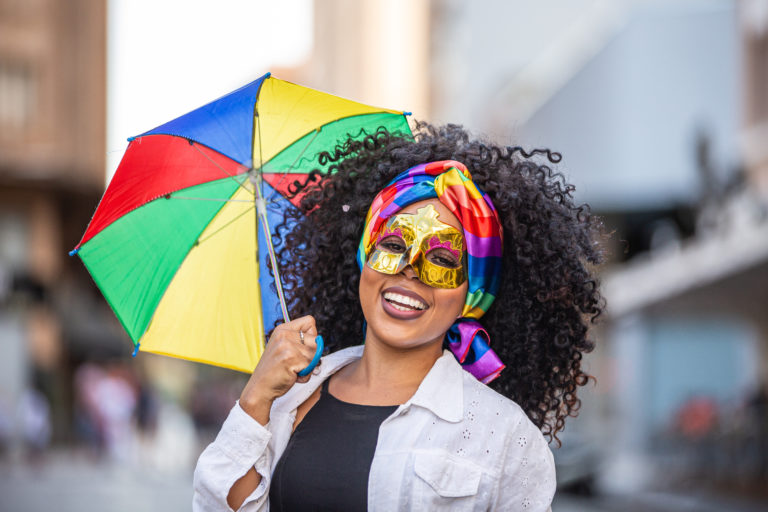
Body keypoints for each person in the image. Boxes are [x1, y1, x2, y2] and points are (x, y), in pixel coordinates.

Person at [193, 123, 606, 511]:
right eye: (394, 243)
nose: (409, 268)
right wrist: (256, 397)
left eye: (442, 257)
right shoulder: (290, 400)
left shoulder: (503, 435)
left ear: (471, 295)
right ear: (365, 256)